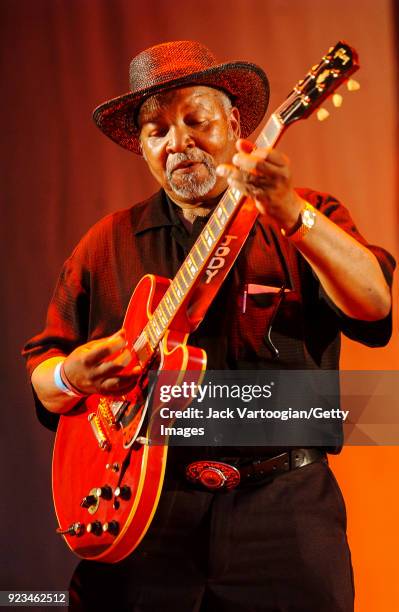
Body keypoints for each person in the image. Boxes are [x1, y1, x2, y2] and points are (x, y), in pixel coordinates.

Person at [23, 40, 395, 611]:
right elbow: (43, 377)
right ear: (143, 147)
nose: (179, 143)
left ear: (235, 123)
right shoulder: (107, 243)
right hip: (144, 516)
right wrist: (72, 374)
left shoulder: (309, 212)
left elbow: (374, 305)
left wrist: (291, 213)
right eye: (157, 132)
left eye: (196, 120)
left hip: (284, 513)